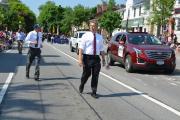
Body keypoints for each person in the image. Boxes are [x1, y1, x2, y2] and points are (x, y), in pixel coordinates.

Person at [78, 22, 105, 98]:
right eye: (91, 26)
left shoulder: (100, 37)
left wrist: (103, 59)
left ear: (97, 27)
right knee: (86, 74)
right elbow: (81, 48)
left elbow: (102, 49)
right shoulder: (85, 36)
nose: (93, 27)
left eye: (94, 26)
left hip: (96, 58)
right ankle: (82, 84)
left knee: (95, 75)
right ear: (89, 27)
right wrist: (80, 59)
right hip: (87, 58)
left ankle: (94, 91)